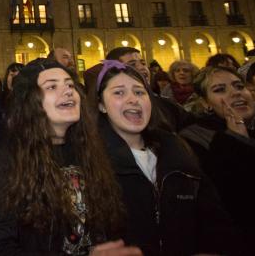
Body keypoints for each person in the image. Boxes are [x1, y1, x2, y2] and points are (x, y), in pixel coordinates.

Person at [0, 59, 138, 256]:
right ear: (30, 102)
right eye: (52, 86)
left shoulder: (95, 152)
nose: (69, 91)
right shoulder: (5, 161)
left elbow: (113, 225)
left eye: (70, 84)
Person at [95, 60, 234, 256]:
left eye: (140, 92)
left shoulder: (178, 150)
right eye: (119, 92)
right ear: (101, 105)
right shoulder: (92, 162)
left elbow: (214, 219)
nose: (133, 99)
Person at [180, 66, 255, 255]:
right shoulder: (195, 137)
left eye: (239, 86)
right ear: (206, 103)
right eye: (220, 90)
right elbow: (235, 199)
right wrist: (237, 142)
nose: (235, 94)